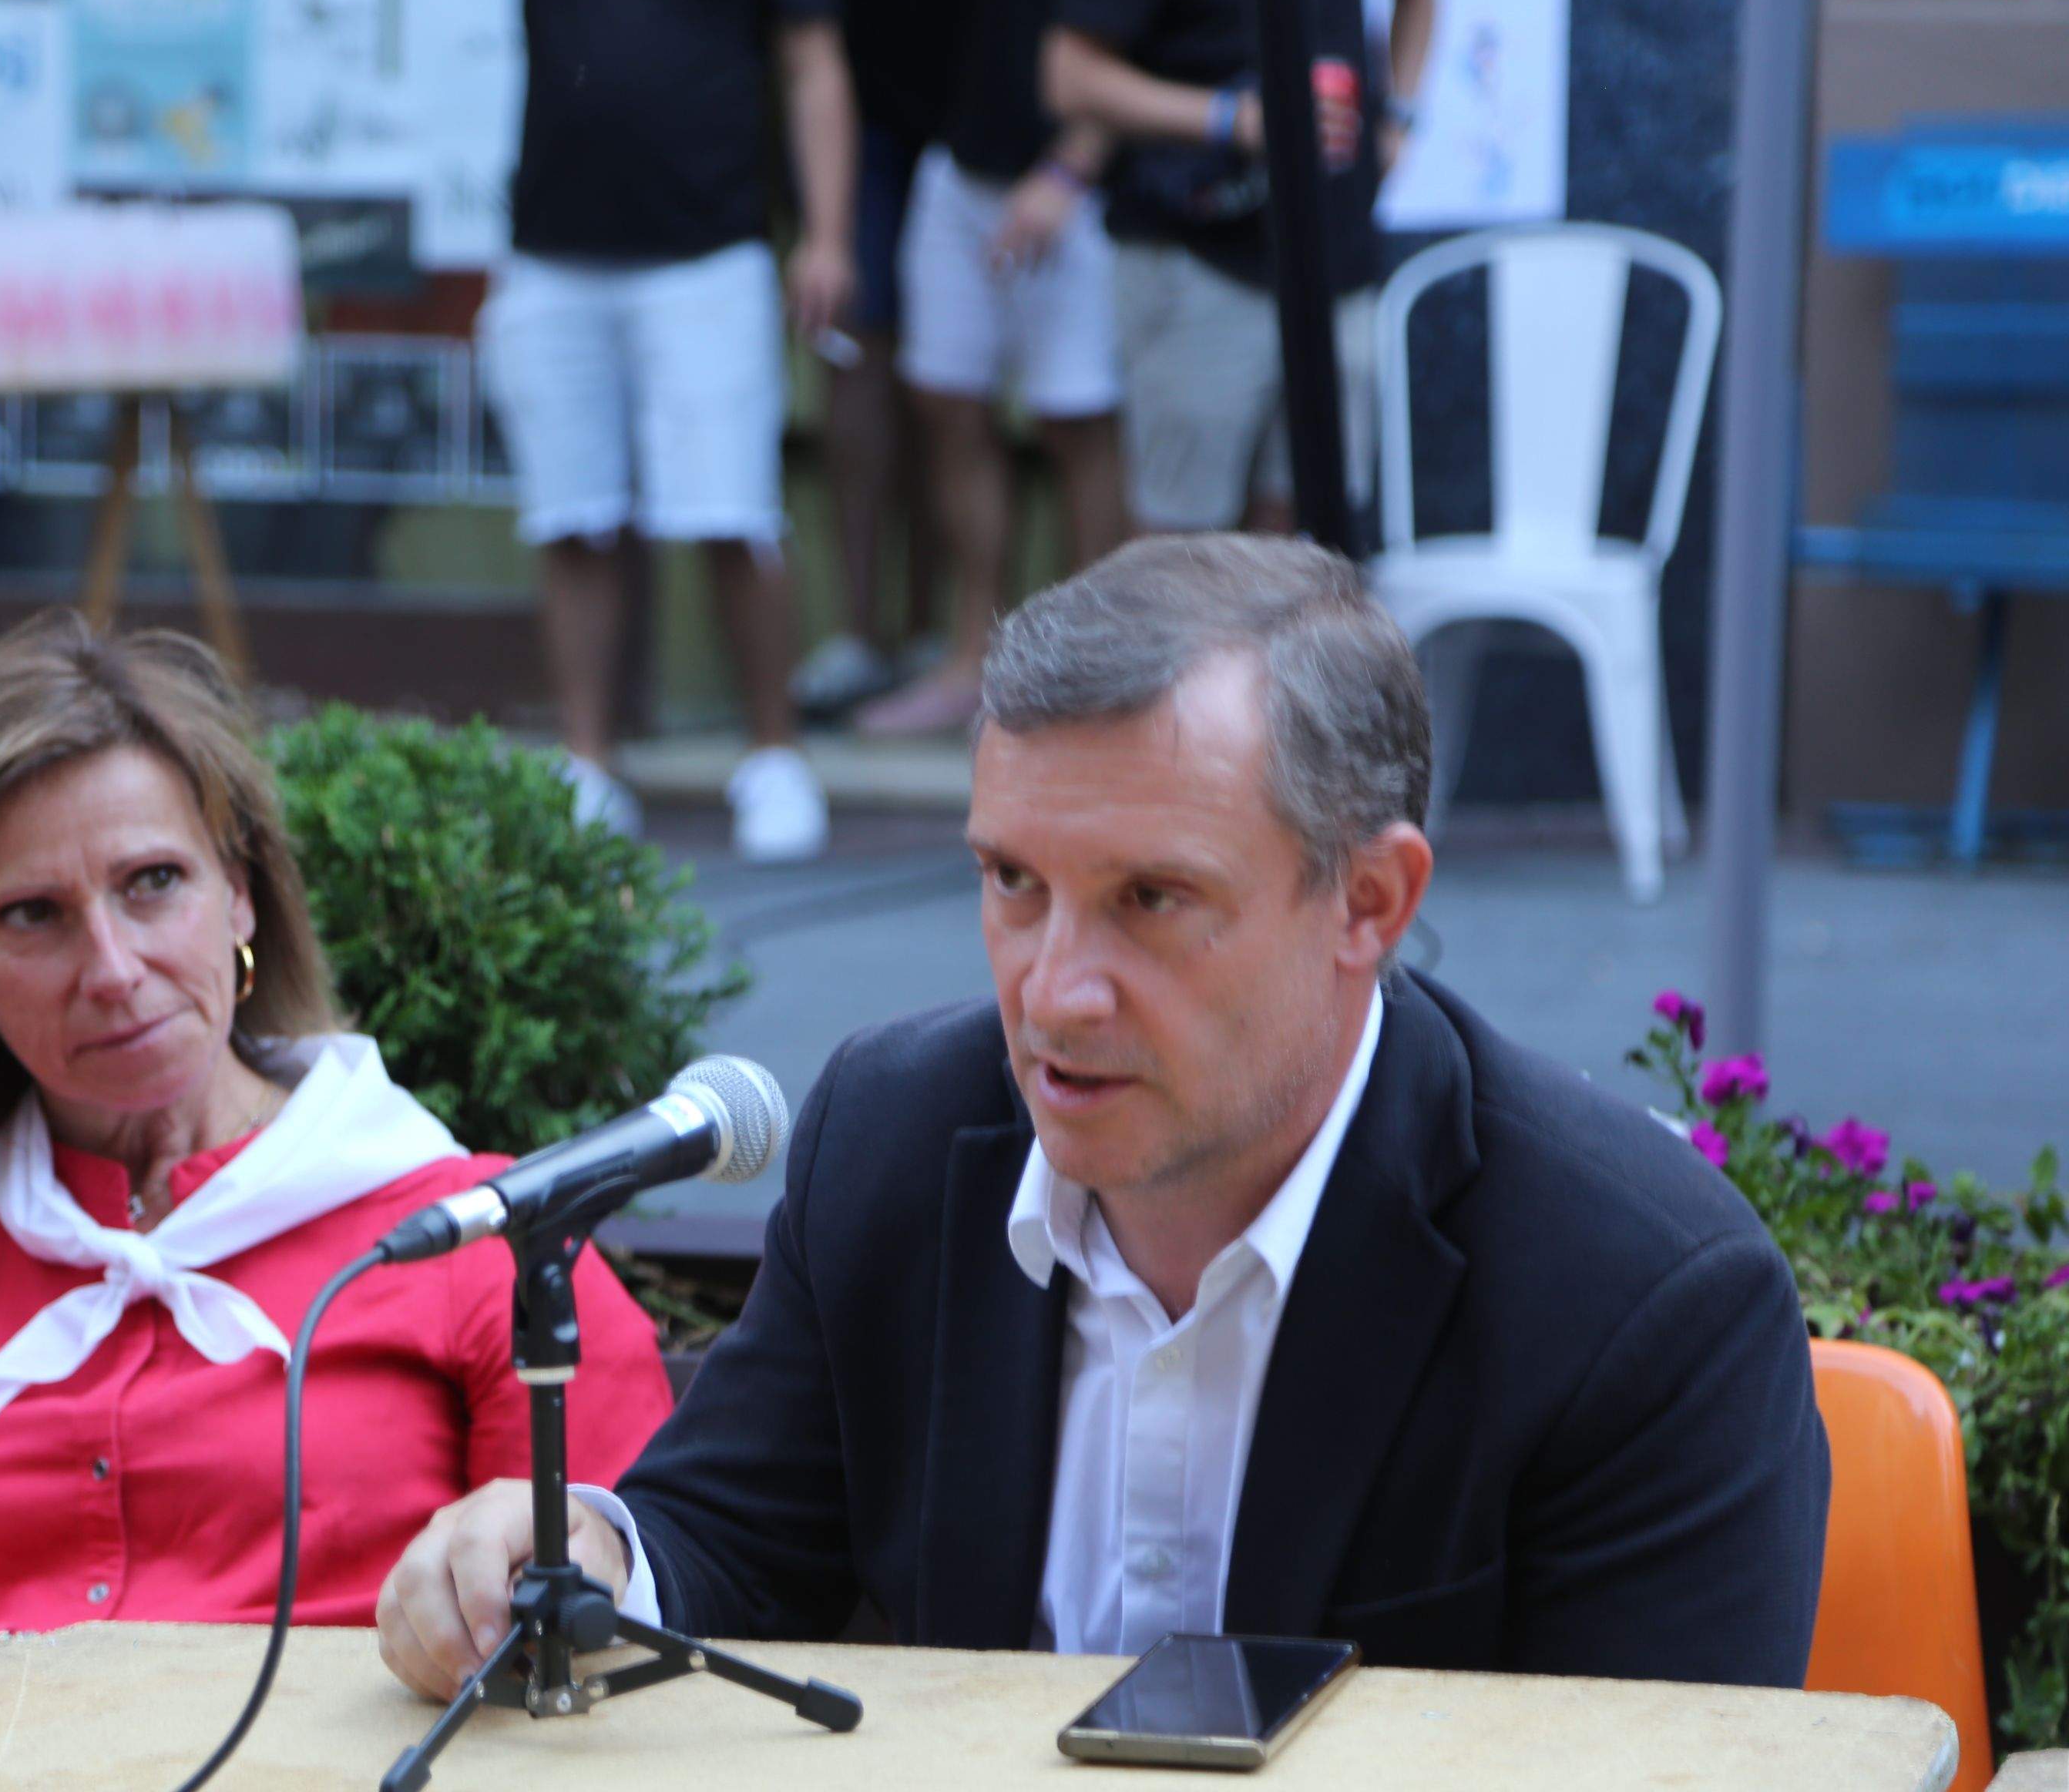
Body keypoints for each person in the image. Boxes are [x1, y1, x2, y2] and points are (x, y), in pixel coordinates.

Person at [378, 535, 1829, 1691]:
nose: (1055, 993)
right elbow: (735, 1539)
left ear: (1367, 902)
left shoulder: (1630, 1298)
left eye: (1151, 899)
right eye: (1012, 881)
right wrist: (580, 1554)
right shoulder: (892, 1135)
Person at [0, 612, 672, 1646]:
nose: (112, 971)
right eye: (35, 915)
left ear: (241, 895)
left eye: (153, 884)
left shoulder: (487, 1243)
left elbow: (612, 1591)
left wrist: (540, 1567)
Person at [391, 0, 859, 862]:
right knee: (574, 515)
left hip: (710, 252)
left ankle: (775, 756)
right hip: (553, 253)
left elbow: (815, 63)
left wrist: (829, 235)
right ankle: (591, 762)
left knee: (734, 512)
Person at [1045, 0, 1436, 534]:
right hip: (1198, 258)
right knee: (1184, 551)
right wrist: (1232, 120)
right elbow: (1070, 77)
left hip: (1338, 263)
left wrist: (1400, 119)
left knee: (1306, 546)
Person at [853, 0, 1130, 738]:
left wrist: (1074, 164)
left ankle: (1093, 674)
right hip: (961, 157)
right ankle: (973, 658)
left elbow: (1150, 27)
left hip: (1083, 185)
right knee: (946, 403)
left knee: (1078, 422)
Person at [788, 0, 955, 727]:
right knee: (855, 360)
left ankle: (935, 631)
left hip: (978, 107)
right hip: (853, 103)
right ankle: (860, 632)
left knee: (947, 385)